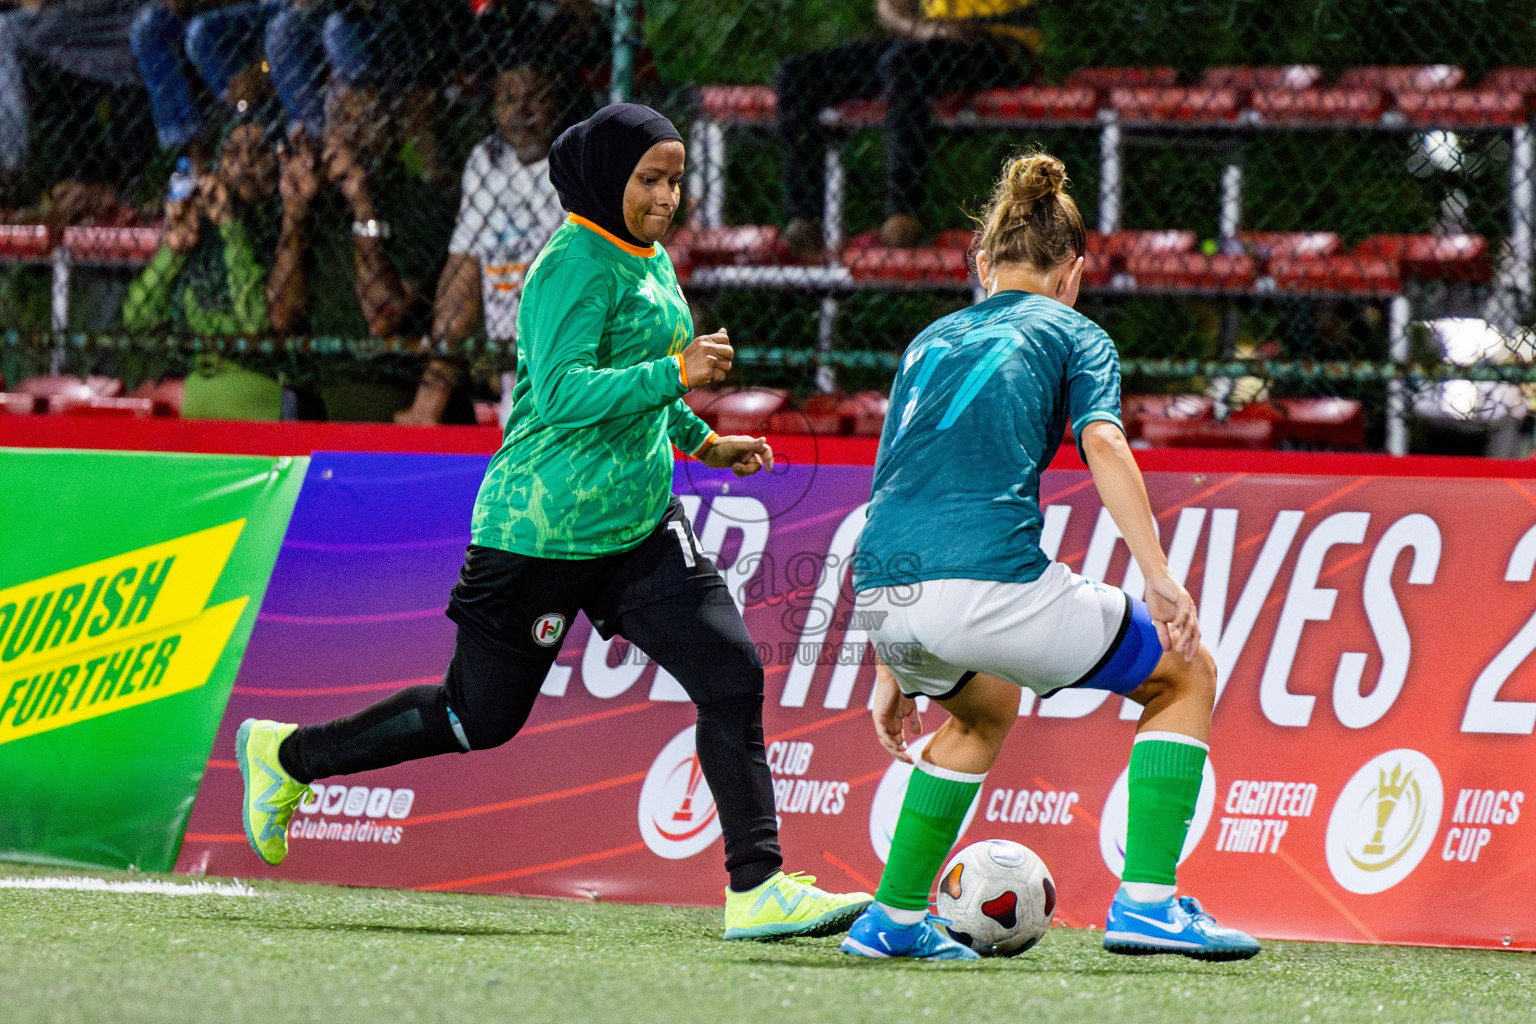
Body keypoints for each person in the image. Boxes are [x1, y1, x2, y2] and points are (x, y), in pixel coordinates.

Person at [235, 102, 874, 940]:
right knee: (478, 719)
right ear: (607, 179)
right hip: (539, 528)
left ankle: (756, 887)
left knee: (731, 676)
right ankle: (286, 756)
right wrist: (677, 371)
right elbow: (569, 394)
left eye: (676, 179)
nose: (667, 195)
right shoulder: (570, 265)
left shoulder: (646, 259)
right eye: (650, 179)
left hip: (638, 525)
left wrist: (703, 441)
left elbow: (640, 389)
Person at [837, 152, 1262, 962]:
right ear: (1073, 271)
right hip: (984, 586)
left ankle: (891, 922)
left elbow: (892, 478)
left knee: (983, 707)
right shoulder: (1075, 330)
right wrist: (1160, 576)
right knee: (1185, 671)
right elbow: (1102, 439)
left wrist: (890, 657)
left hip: (883, 586)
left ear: (982, 263)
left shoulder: (927, 341)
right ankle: (1148, 904)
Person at [775, 0, 1038, 260]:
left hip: (999, 44)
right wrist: (926, 29)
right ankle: (806, 219)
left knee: (903, 65)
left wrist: (941, 30)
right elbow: (890, 7)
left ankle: (903, 214)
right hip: (924, 43)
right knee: (797, 75)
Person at [395, 60, 569, 425]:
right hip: (515, 375)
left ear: (557, 99)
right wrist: (428, 405)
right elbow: (462, 278)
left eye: (533, 97)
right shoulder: (487, 162)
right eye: (507, 99)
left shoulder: (579, 163)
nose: (521, 112)